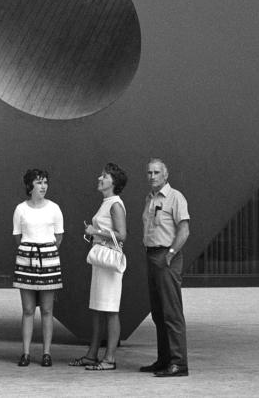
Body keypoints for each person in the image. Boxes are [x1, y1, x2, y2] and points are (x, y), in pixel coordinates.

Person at [68, 162, 128, 371]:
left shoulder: (115, 204)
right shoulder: (107, 202)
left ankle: (109, 358)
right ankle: (92, 355)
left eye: (104, 176)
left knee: (110, 310)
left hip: (109, 264)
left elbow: (122, 236)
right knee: (97, 309)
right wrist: (93, 233)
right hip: (100, 261)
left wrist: (96, 231)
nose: (99, 179)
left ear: (114, 182)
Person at [140, 158, 190, 377]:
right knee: (158, 312)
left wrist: (171, 253)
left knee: (171, 311)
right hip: (152, 254)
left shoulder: (175, 197)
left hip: (166, 256)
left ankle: (179, 363)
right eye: (149, 172)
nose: (152, 176)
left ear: (165, 175)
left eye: (156, 172)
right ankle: (164, 359)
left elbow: (184, 230)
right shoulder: (150, 198)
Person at [12, 169, 64, 367]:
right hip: (26, 260)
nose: (43, 186)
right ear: (29, 186)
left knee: (47, 310)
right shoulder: (20, 209)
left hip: (49, 261)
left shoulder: (54, 208)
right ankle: (25, 352)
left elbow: (59, 237)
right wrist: (29, 250)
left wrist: (46, 250)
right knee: (27, 309)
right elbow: (17, 237)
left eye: (45, 182)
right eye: (39, 182)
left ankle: (46, 353)